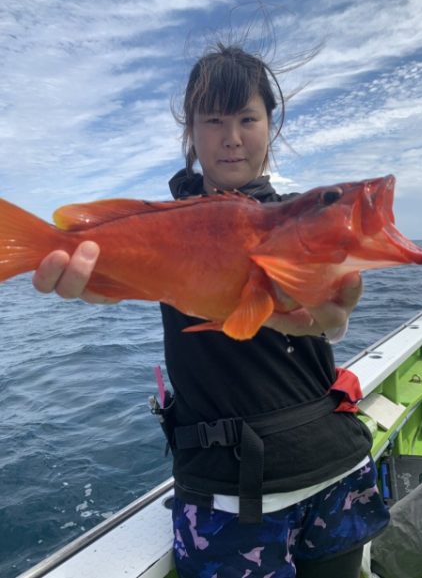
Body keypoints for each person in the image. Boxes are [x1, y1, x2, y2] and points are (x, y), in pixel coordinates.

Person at [32, 44, 389, 577]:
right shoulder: (171, 226)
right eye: (214, 120)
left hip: (332, 469)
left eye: (248, 118)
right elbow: (120, 282)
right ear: (191, 134)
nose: (232, 137)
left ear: (271, 124)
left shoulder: (305, 218)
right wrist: (98, 282)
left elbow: (333, 318)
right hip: (230, 496)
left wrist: (334, 321)